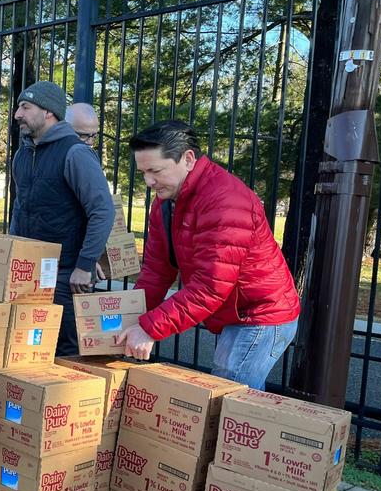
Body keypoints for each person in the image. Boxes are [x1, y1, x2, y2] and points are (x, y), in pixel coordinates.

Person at [116, 120, 300, 389]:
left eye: (155, 171)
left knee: (230, 397)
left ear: (188, 159)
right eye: (143, 172)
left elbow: (210, 286)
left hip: (260, 313)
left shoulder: (226, 201)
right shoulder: (166, 203)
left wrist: (149, 327)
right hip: (236, 310)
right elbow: (157, 271)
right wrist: (129, 320)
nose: (148, 182)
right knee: (228, 397)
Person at [9, 81, 115, 356]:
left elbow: (102, 211)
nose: (17, 114)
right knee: (28, 350)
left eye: (25, 106)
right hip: (30, 274)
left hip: (68, 277)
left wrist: (85, 264)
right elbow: (20, 209)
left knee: (67, 354)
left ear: (48, 113)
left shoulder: (75, 153)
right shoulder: (23, 154)